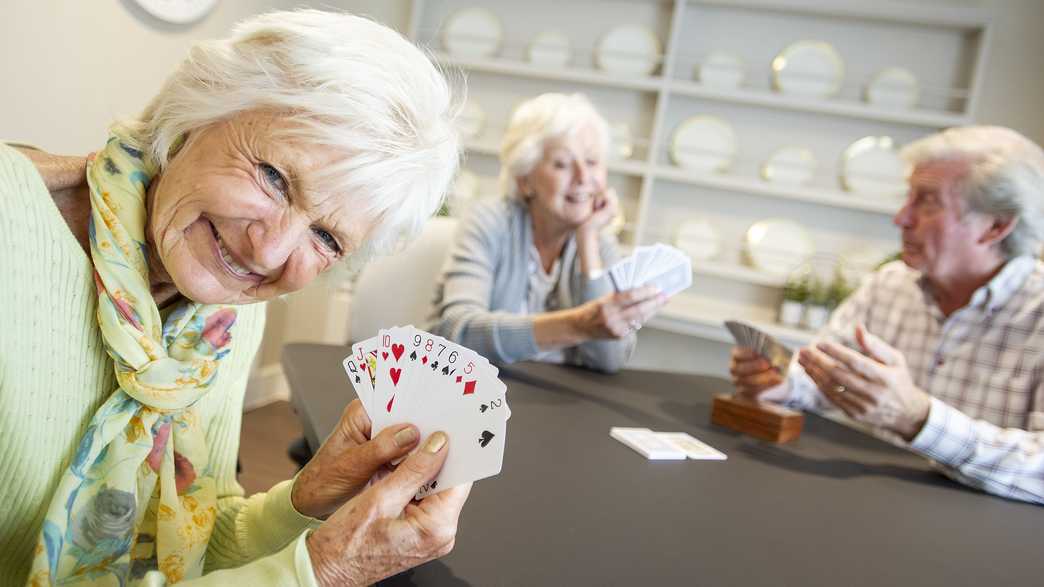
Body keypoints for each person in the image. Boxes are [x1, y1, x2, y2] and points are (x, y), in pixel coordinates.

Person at [1, 10, 471, 586]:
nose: (270, 253)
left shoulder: (223, 317)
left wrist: (308, 496)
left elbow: (200, 536)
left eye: (325, 237)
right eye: (274, 177)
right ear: (197, 111)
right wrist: (319, 573)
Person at [730, 126, 1044, 504]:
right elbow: (829, 375)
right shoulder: (890, 284)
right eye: (907, 198)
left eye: (927, 202)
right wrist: (783, 382)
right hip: (869, 512)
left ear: (995, 226)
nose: (901, 218)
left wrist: (916, 418)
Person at [428, 93, 666, 372]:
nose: (582, 178)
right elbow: (458, 333)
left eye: (591, 162)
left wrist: (588, 240)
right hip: (470, 392)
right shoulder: (489, 221)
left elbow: (609, 360)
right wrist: (579, 324)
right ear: (525, 180)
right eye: (562, 164)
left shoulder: (600, 242)